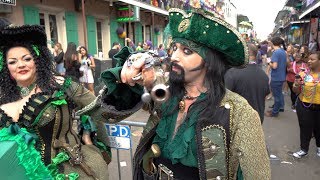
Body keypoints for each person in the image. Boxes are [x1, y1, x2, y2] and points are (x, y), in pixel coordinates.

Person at [80, 8, 270, 179]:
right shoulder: (165, 96)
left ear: (210, 62)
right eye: (175, 48)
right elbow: (103, 115)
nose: (174, 57)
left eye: (187, 51)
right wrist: (130, 74)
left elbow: (258, 175)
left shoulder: (240, 113)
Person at [0, 18, 113, 179]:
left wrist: (96, 143)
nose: (20, 65)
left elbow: (101, 110)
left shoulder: (61, 85)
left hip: (67, 171)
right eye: (12, 61)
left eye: (27, 59)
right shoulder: (3, 96)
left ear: (37, 60)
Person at [225, 43, 270, 123]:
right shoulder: (263, 75)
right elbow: (265, 96)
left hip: (238, 122)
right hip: (257, 120)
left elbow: (224, 98)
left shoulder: (232, 73)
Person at [292, 51, 320, 158]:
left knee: (319, 128)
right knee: (305, 128)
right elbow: (296, 91)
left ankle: (319, 147)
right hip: (304, 106)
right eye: (308, 59)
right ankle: (304, 149)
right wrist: (296, 84)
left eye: (312, 59)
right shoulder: (303, 74)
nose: (309, 61)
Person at [265, 37, 287, 117]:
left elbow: (274, 66)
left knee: (276, 95)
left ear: (273, 43)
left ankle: (274, 112)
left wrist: (268, 62)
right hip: (281, 76)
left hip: (276, 77)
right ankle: (280, 107)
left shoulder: (276, 52)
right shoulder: (283, 51)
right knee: (279, 94)